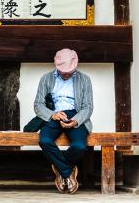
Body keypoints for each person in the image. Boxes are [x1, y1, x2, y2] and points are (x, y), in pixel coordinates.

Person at [34, 48, 93, 194]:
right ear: (56, 65)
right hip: (54, 115)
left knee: (79, 145)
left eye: (69, 71)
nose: (66, 73)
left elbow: (88, 107)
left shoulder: (85, 79)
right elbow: (38, 105)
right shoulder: (46, 78)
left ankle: (61, 170)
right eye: (63, 71)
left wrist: (76, 120)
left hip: (76, 115)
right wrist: (52, 115)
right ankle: (68, 171)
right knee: (45, 141)